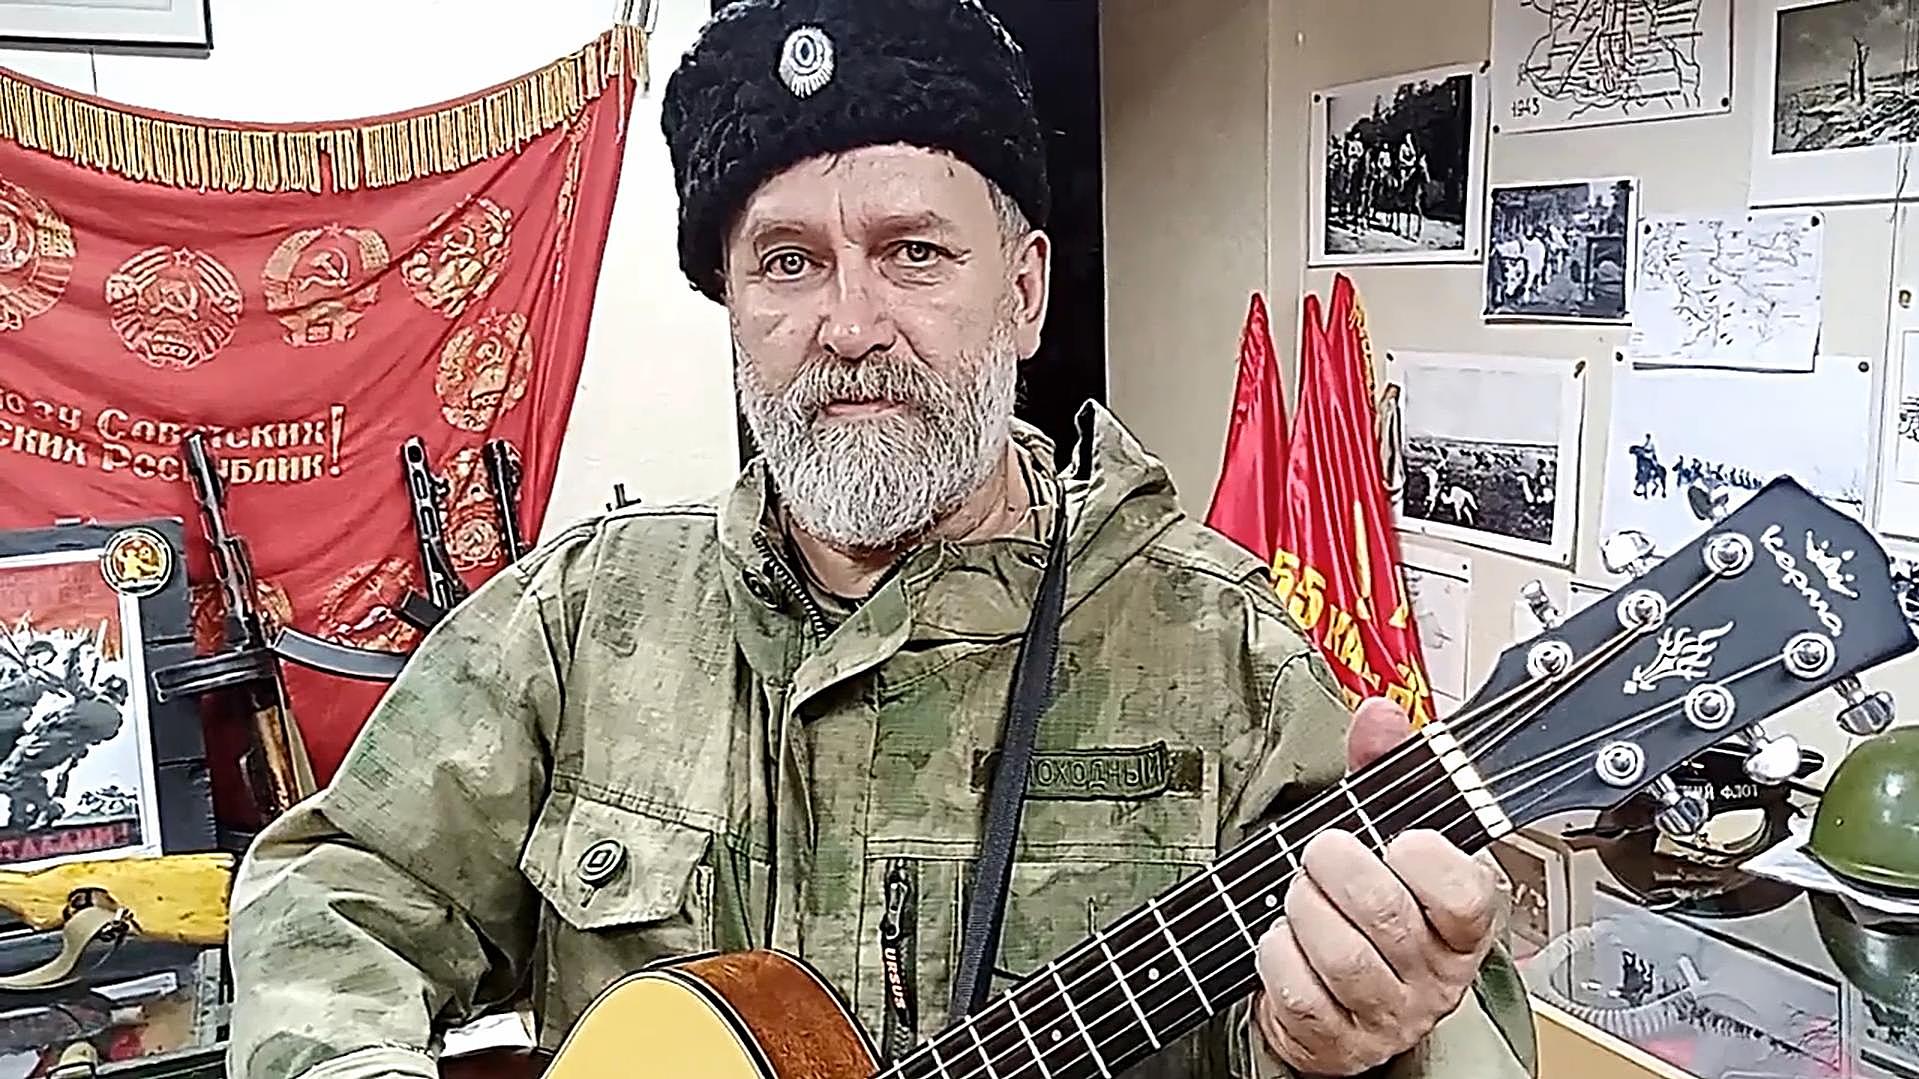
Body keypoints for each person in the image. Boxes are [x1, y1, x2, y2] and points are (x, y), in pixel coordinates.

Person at [224, 2, 1537, 1077]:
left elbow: (1451, 1030)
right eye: (787, 262)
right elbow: (337, 892)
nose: (850, 327)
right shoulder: (584, 616)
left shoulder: (1224, 649)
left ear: (1024, 293)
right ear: (733, 308)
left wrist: (1362, 1047)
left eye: (912, 252)